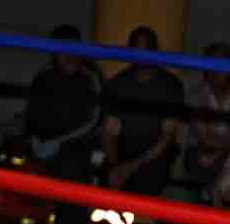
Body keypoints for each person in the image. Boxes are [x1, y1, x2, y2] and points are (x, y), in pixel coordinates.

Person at [100, 25, 184, 196]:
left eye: (146, 49)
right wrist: (116, 165)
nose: (141, 54)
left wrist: (133, 165)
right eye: (136, 49)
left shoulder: (171, 86)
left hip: (154, 155)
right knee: (106, 184)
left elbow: (167, 136)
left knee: (147, 183)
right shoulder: (118, 84)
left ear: (155, 51)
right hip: (123, 152)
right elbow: (109, 132)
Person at [22, 24, 102, 181]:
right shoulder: (43, 76)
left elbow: (95, 120)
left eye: (73, 49)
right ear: (54, 53)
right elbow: (31, 111)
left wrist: (59, 142)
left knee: (70, 169)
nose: (69, 56)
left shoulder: (90, 78)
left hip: (76, 147)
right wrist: (33, 138)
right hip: (41, 146)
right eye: (62, 50)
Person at [182, 41, 230, 206]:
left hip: (223, 154)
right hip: (202, 151)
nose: (215, 71)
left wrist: (222, 152)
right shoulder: (196, 95)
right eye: (211, 64)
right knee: (203, 161)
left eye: (220, 65)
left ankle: (215, 202)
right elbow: (203, 137)